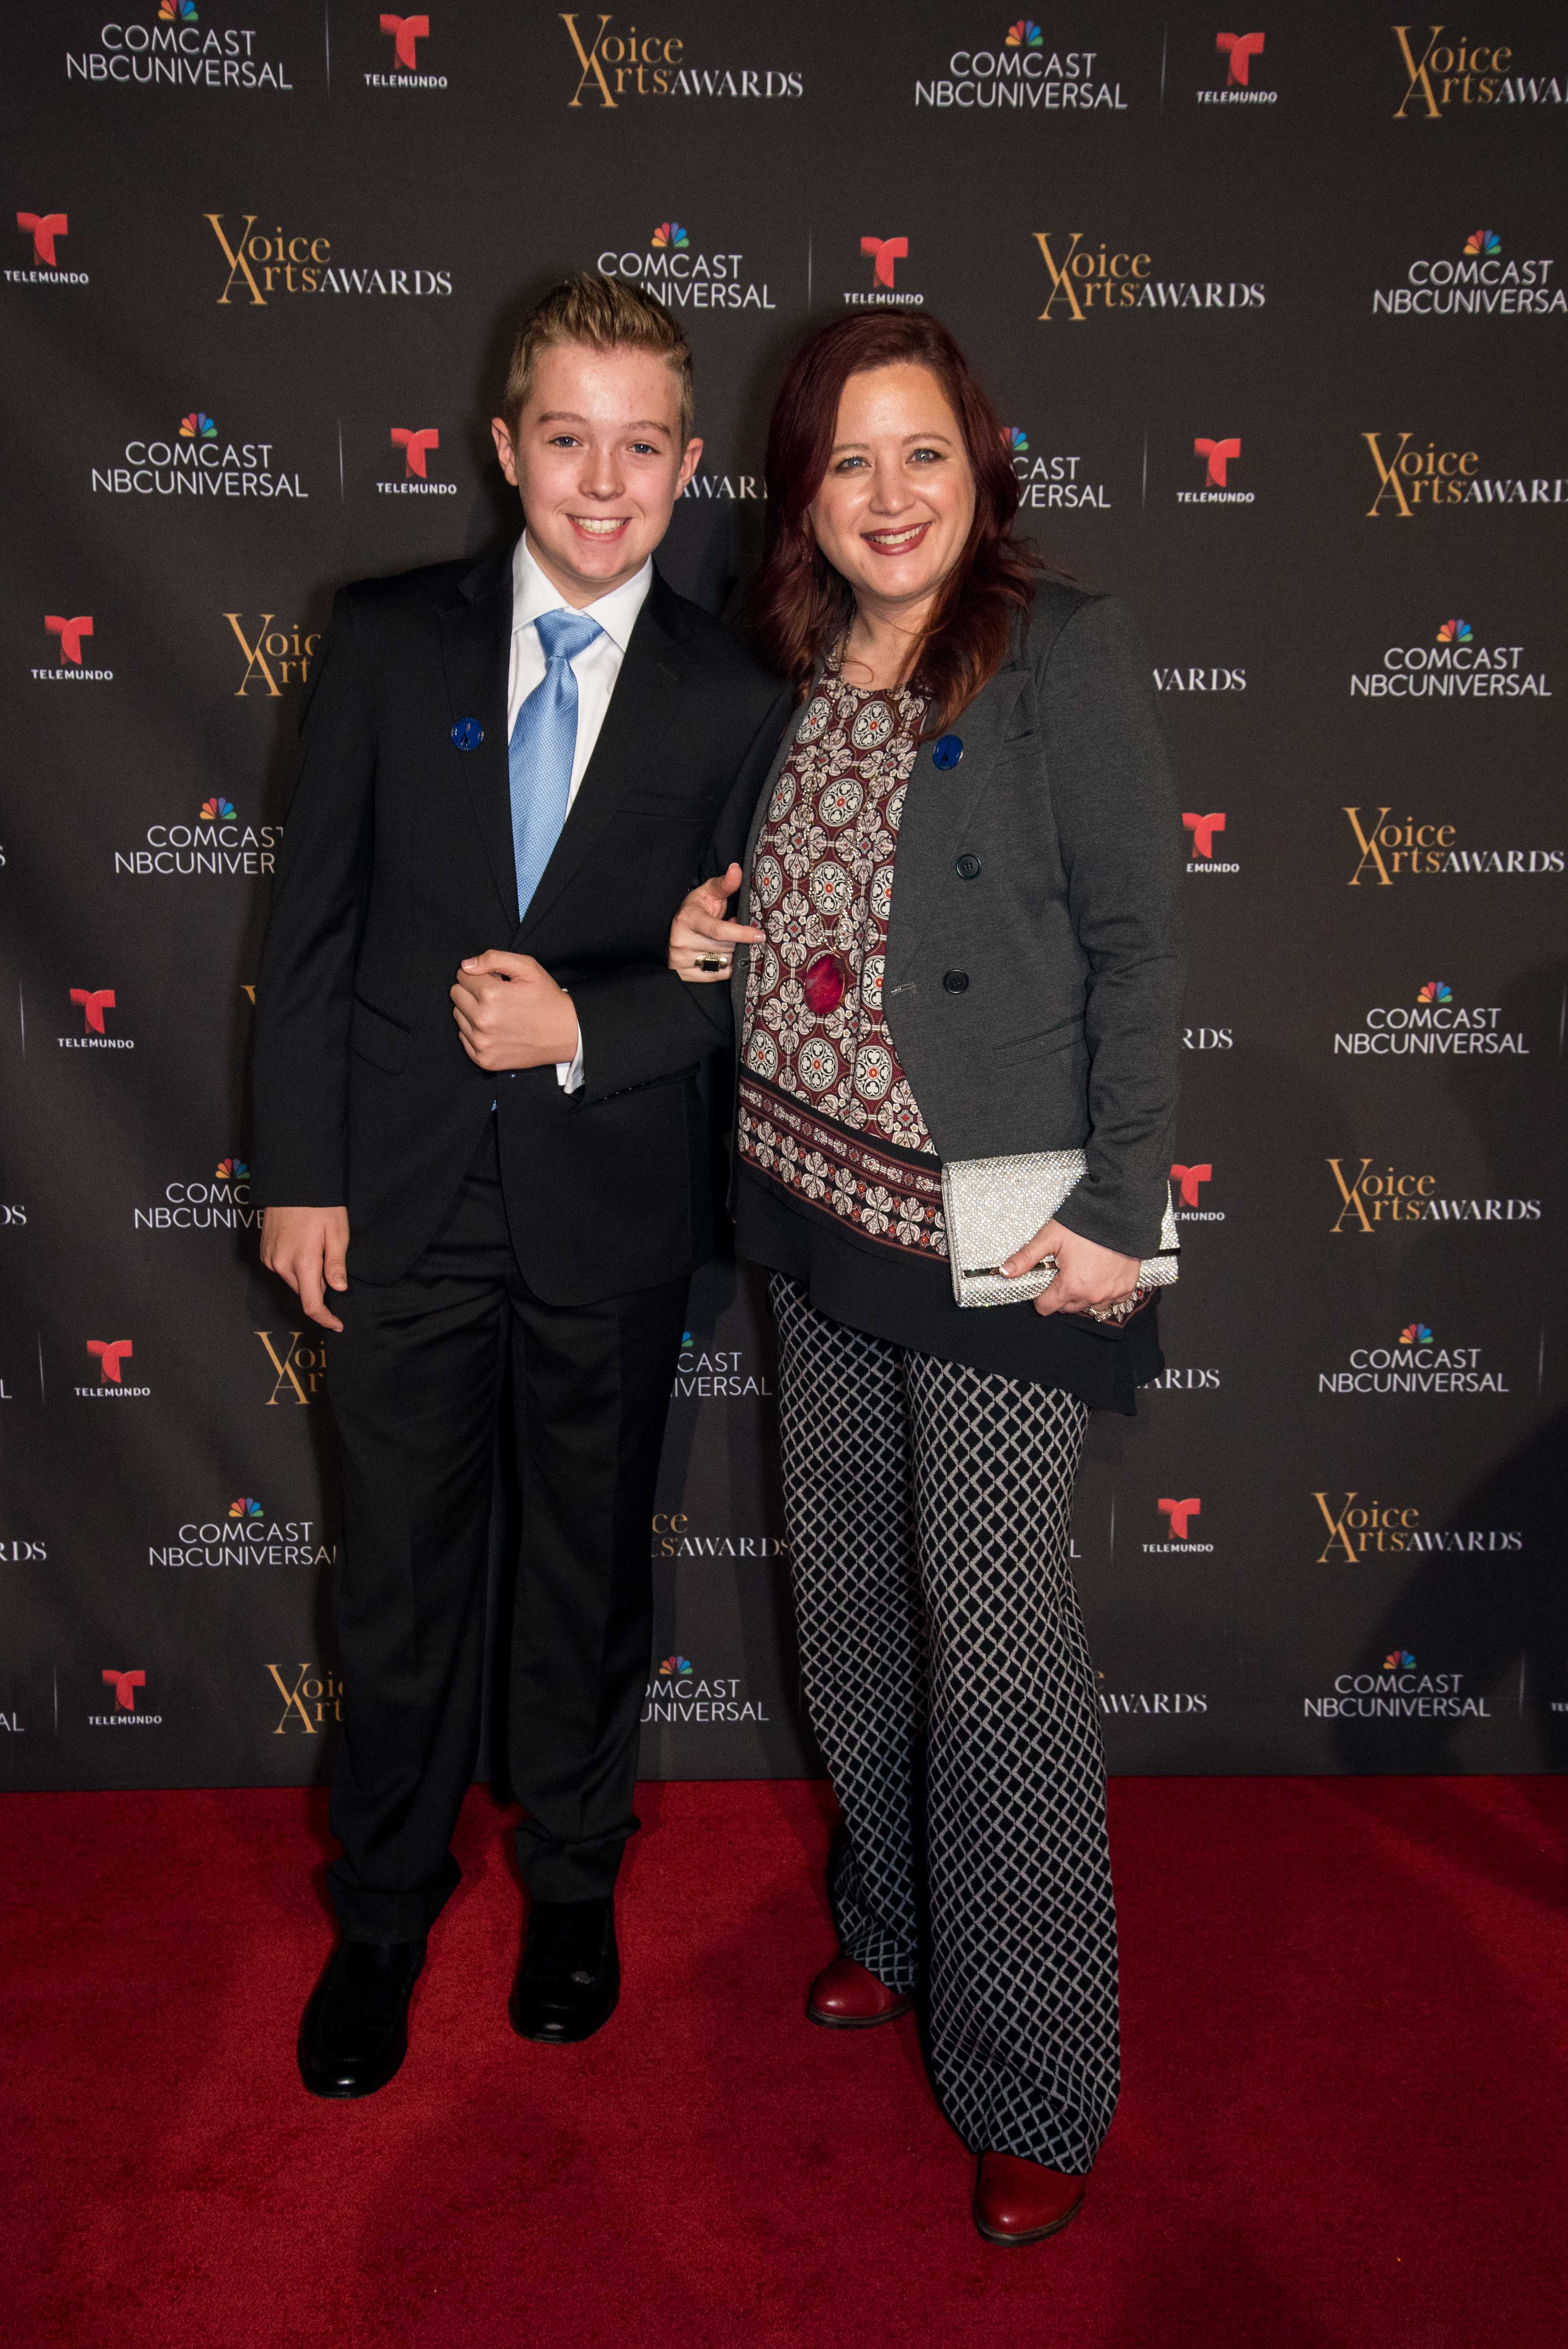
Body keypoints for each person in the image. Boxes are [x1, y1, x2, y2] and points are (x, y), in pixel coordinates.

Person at [668, 312, 1182, 2244]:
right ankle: (892, 1919)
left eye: (924, 455)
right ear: (803, 489)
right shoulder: (792, 663)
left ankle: (1037, 2071)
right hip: (809, 1204)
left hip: (997, 1235)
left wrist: (1122, 1203)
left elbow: (1140, 946)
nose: (889, 498)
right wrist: (708, 924)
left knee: (997, 1647)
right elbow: (785, 891)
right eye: (850, 461)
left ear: (982, 467)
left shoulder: (1062, 652)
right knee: (854, 1613)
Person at [253, 274, 790, 2098]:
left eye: (642, 447)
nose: (603, 482)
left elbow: (757, 981)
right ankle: (383, 1909)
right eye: (568, 439)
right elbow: (309, 931)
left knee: (583, 1576)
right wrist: (300, 1172)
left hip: (612, 1202)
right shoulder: (385, 639)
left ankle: (571, 1880)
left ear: (689, 464)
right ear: (505, 446)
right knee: (398, 1582)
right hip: (398, 1196)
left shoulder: (741, 695)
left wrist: (586, 1021)